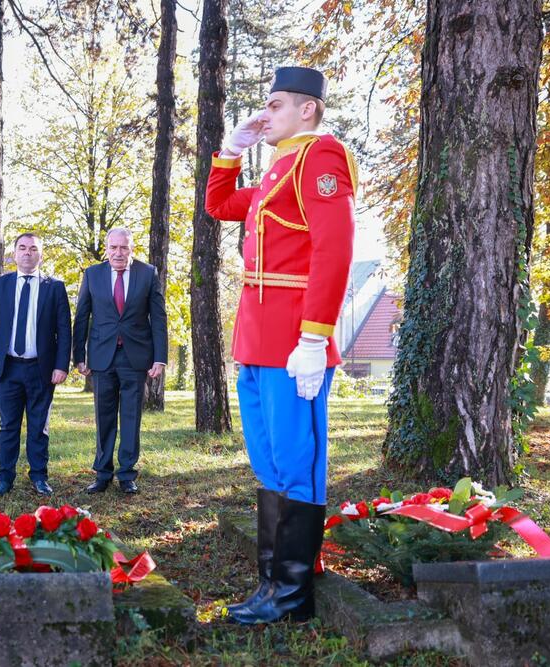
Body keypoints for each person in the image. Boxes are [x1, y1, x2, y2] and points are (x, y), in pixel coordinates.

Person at [204, 66, 356, 624]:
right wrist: (228, 151)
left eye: (275, 105)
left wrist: (314, 337)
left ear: (307, 109)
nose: (264, 115)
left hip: (295, 340)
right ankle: (272, 584)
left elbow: (333, 251)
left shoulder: (321, 157)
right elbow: (221, 207)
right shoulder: (277, 171)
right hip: (257, 340)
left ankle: (294, 594)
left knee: (296, 463)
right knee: (268, 463)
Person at [72, 228, 167, 495]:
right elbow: (82, 317)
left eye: (123, 248)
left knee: (130, 417)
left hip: (136, 357)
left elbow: (158, 318)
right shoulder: (92, 274)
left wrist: (160, 357)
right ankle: (103, 473)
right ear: (106, 248)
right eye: (113, 248)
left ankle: (127, 474)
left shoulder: (147, 273)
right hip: (102, 357)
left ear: (132, 249)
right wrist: (79, 356)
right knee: (104, 417)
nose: (118, 253)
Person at [0, 233, 72, 497]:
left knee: (39, 426)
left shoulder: (54, 287)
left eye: (33, 248)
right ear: (15, 253)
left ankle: (39, 476)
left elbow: (64, 330)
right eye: (22, 248)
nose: (27, 253)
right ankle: (4, 478)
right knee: (8, 425)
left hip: (41, 369)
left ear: (40, 254)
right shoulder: (1, 285)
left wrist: (61, 365)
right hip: (8, 367)